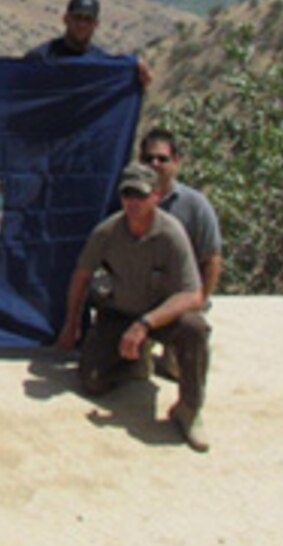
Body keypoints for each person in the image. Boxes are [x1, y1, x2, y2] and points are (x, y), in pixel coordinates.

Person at [57, 163, 211, 452]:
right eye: (128, 195)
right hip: (119, 313)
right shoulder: (107, 232)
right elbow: (82, 275)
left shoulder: (171, 234)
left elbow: (193, 295)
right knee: (92, 381)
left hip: (160, 316)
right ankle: (134, 361)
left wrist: (146, 324)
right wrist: (71, 322)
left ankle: (189, 409)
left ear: (155, 196)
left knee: (195, 327)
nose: (133, 203)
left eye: (140, 195)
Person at [140, 127, 223, 380]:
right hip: (138, 295)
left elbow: (212, 259)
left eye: (162, 159)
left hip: (180, 298)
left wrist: (198, 300)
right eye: (148, 159)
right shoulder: (128, 200)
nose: (155, 164)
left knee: (185, 359)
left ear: (176, 162)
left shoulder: (196, 206)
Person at [24, 0, 152, 88]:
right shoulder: (41, 57)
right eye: (77, 17)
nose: (82, 24)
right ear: (66, 19)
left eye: (88, 19)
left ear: (96, 24)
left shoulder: (101, 63)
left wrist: (134, 67)